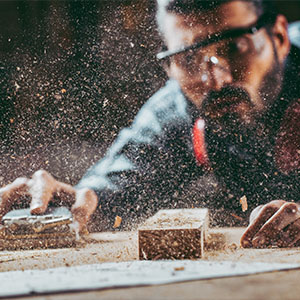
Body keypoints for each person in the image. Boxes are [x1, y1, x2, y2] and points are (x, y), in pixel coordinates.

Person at [0, 0, 299, 248]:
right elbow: (104, 194)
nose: (217, 80)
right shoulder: (176, 112)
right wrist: (62, 207)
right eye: (190, 58)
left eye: (235, 47)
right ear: (168, 66)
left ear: (280, 37)